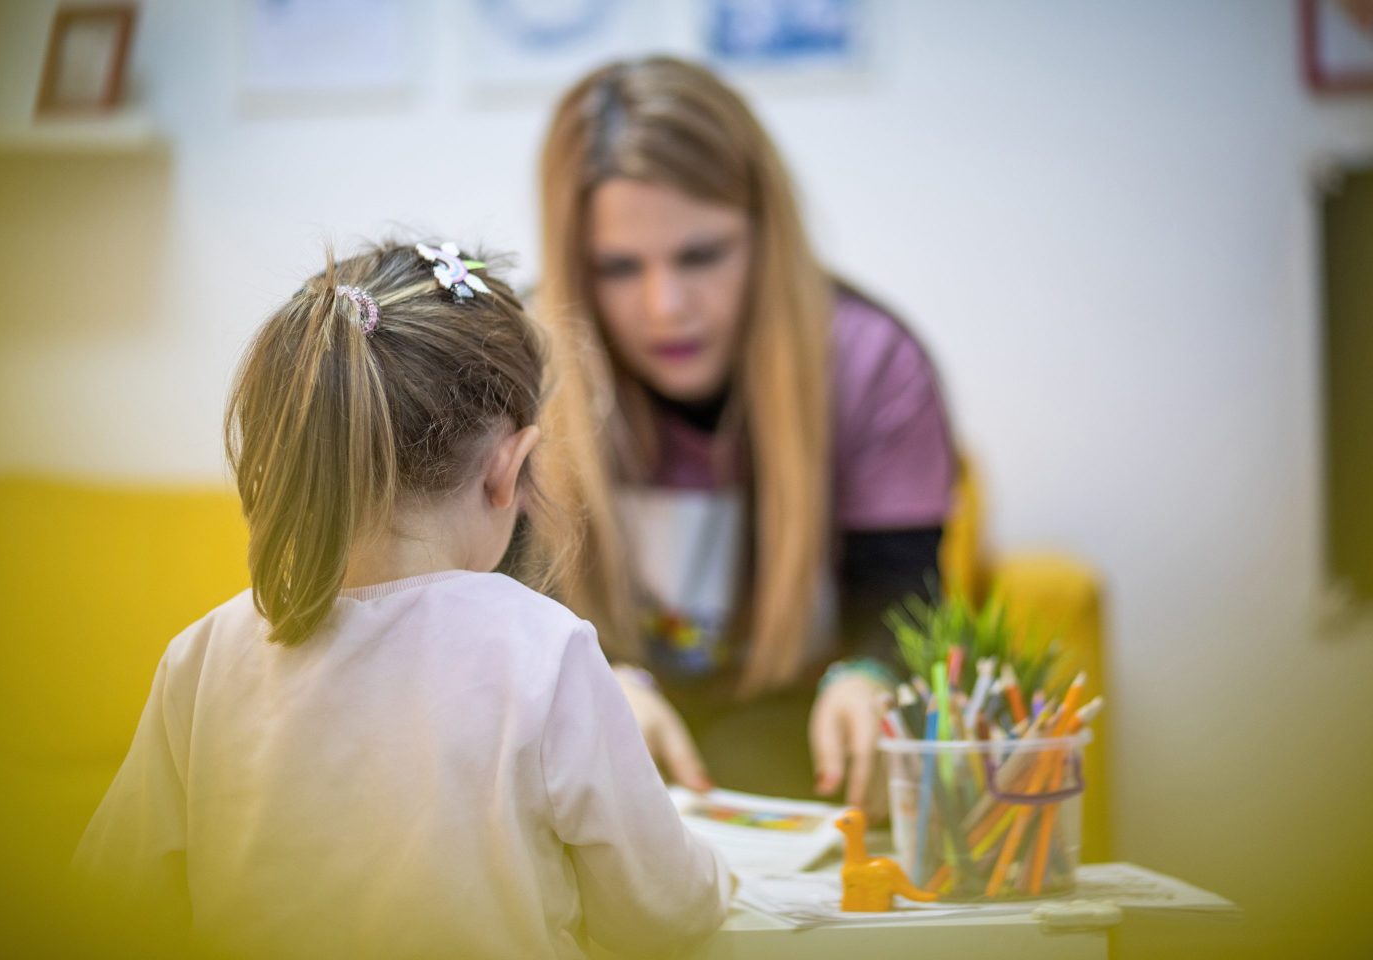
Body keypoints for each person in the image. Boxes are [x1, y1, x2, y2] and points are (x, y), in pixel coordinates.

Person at [73, 240, 731, 960]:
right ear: (507, 470)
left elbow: (110, 904)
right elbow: (662, 915)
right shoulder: (545, 649)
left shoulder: (201, 658)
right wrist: (717, 877)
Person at [527, 57, 957, 810]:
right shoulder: (526, 364)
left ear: (766, 233)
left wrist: (869, 677)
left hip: (794, 734)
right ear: (575, 267)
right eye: (619, 267)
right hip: (591, 731)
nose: (666, 307)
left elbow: (902, 593)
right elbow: (497, 601)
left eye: (702, 255)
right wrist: (600, 688)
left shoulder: (870, 361)